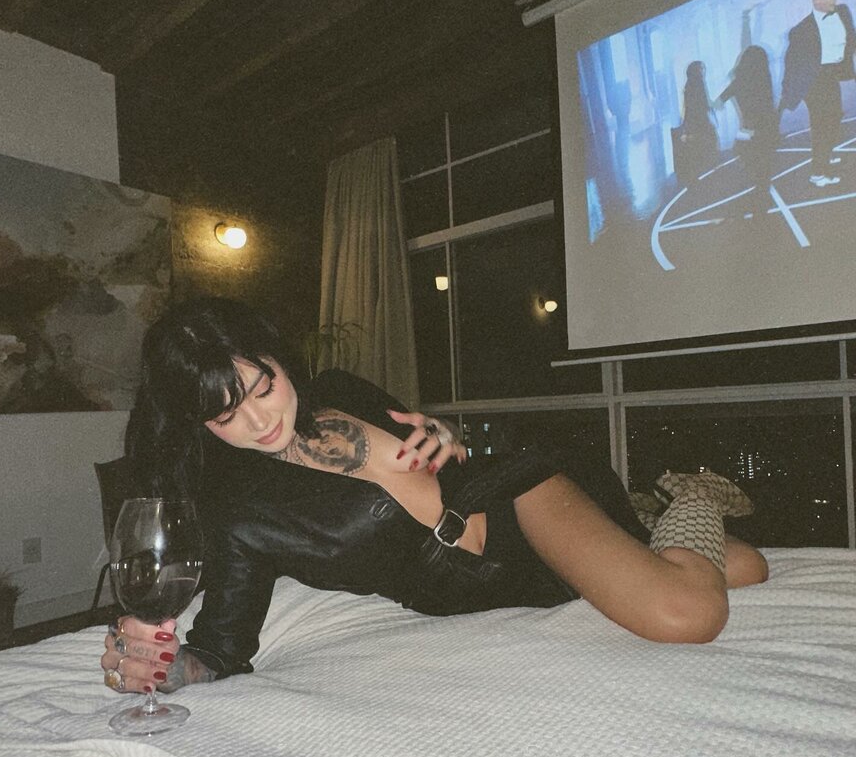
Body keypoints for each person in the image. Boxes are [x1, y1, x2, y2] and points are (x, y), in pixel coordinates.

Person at [100, 298, 768, 695]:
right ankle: (672, 509)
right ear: (199, 424)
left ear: (278, 360)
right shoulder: (239, 513)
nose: (259, 420)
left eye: (263, 387)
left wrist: (446, 437)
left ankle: (694, 493)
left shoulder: (339, 388)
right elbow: (221, 649)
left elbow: (442, 455)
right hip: (485, 584)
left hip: (520, 501)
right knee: (746, 567)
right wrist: (167, 668)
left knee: (686, 613)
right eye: (226, 415)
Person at [779, 0, 856, 187]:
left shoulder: (843, 12)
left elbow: (851, 39)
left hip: (832, 75)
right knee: (822, 125)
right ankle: (818, 173)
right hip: (814, 81)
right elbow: (791, 63)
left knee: (835, 118)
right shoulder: (801, 30)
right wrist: (787, 93)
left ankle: (825, 155)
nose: (834, 0)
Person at [717, 45, 779, 218]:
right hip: (762, 134)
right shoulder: (762, 82)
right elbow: (767, 111)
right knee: (763, 176)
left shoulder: (739, 82)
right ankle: (759, 212)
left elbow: (720, 101)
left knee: (754, 176)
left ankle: (753, 209)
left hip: (745, 135)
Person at [674, 61, 719, 183]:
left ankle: (702, 176)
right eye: (701, 69)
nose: (703, 72)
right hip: (700, 121)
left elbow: (689, 107)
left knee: (701, 146)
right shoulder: (698, 84)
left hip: (696, 121)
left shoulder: (690, 85)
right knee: (709, 143)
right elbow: (701, 104)